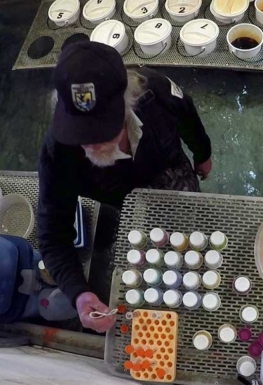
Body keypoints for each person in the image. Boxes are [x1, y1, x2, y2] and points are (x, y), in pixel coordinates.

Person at [37, 41, 212, 333]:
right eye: (81, 132)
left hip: (165, 166)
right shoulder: (58, 151)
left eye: (103, 128)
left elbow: (189, 117)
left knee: (189, 215)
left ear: (127, 99)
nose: (92, 143)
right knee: (143, 242)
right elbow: (53, 233)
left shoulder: (156, 91)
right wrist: (79, 293)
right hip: (116, 192)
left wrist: (202, 154)